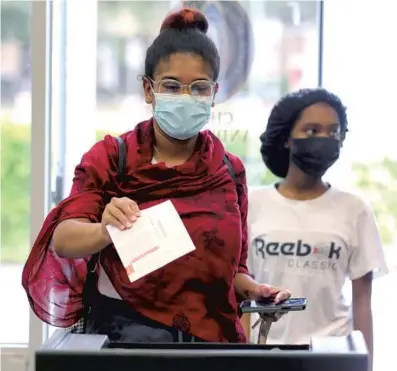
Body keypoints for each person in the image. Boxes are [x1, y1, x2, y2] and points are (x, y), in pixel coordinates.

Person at [22, 8, 290, 344]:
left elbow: (232, 270)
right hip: (127, 343)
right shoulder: (112, 158)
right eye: (172, 86)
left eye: (199, 88)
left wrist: (255, 291)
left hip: (213, 347)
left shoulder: (229, 169)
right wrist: (105, 231)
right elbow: (63, 239)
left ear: (214, 93)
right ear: (149, 90)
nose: (185, 97)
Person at [243, 88, 387, 362]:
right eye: (311, 131)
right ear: (287, 138)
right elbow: (239, 291)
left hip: (331, 354)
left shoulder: (355, 209)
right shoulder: (252, 203)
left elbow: (362, 303)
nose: (324, 139)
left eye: (333, 132)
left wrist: (365, 364)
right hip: (264, 352)